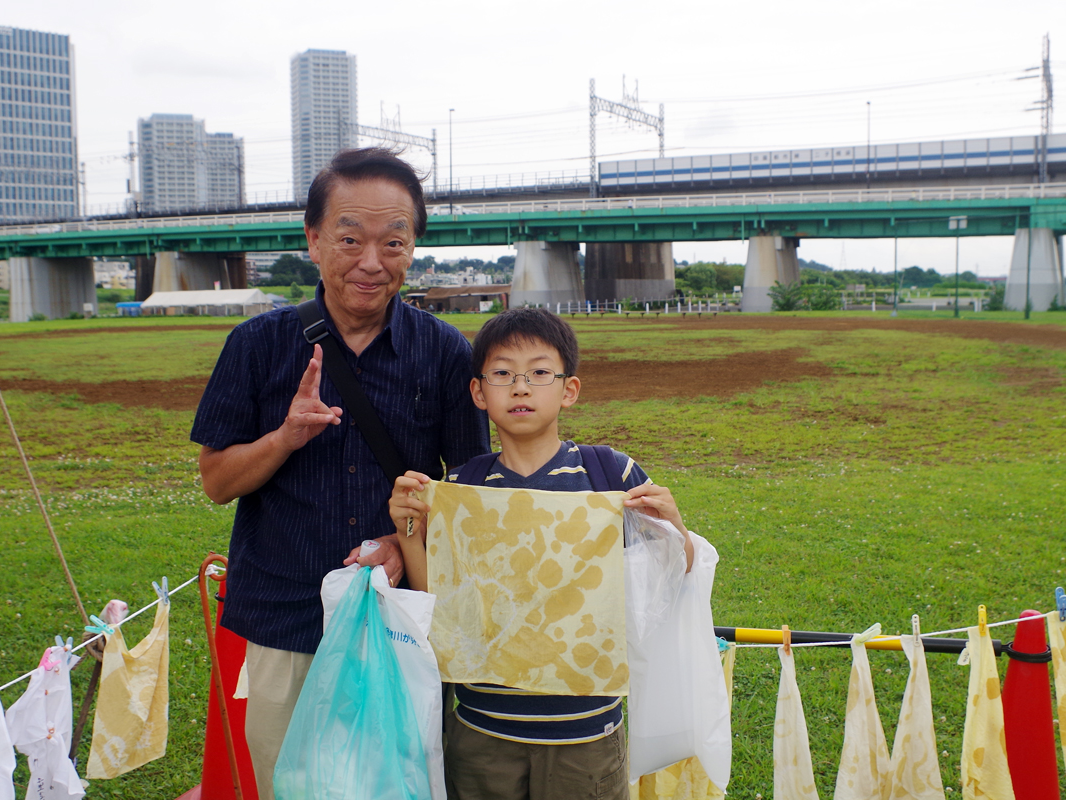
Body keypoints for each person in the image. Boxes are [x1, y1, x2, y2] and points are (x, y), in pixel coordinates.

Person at [191, 147, 490, 795]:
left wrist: (404, 546)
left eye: (394, 242)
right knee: (285, 782)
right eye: (350, 239)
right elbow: (216, 481)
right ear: (315, 239)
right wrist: (285, 438)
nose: (371, 262)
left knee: (396, 785)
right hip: (281, 617)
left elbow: (470, 490)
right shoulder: (256, 346)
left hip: (397, 623)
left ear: (414, 248)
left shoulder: (443, 352)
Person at [389, 307, 694, 800]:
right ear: (478, 392)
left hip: (586, 732)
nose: (521, 387)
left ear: (568, 389)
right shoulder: (464, 488)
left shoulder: (609, 475)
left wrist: (674, 530)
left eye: (539, 373)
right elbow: (442, 609)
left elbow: (670, 582)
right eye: (503, 373)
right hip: (481, 731)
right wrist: (408, 531)